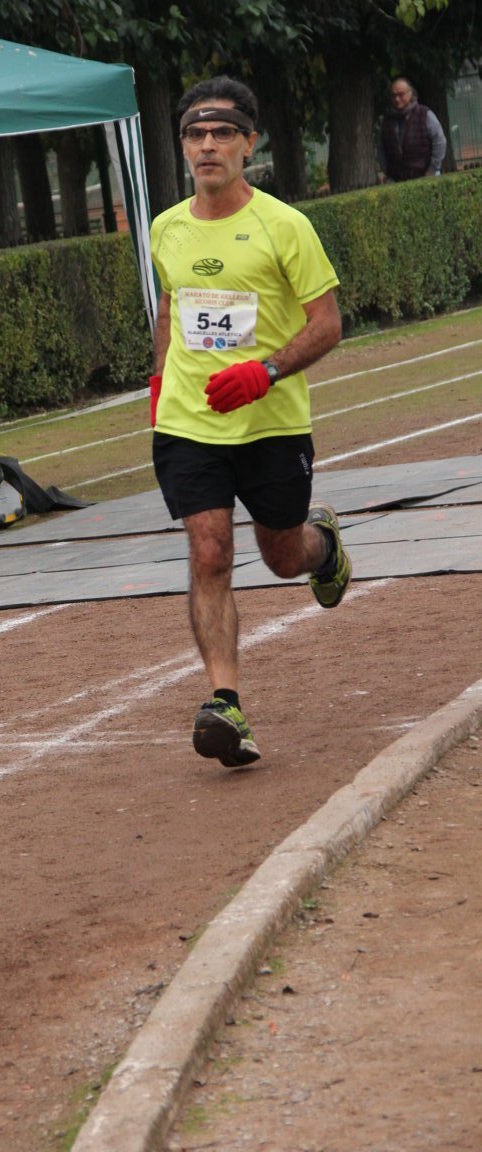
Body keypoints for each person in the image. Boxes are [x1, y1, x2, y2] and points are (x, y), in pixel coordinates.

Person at [149, 75, 351, 770]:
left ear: (249, 144)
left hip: (270, 423)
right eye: (196, 135)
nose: (208, 146)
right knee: (210, 552)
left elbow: (327, 324)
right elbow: (170, 309)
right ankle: (225, 703)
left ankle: (323, 543)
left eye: (222, 133)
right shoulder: (166, 228)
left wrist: (264, 371)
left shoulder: (284, 226)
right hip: (189, 421)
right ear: (183, 146)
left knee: (282, 556)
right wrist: (159, 385)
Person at [379, 77, 446, 182]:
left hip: (426, 177)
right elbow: (381, 149)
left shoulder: (425, 114)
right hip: (396, 180)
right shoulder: (387, 121)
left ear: (410, 94)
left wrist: (432, 170)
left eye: (401, 94)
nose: (397, 99)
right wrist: (387, 171)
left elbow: (439, 141)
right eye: (393, 96)